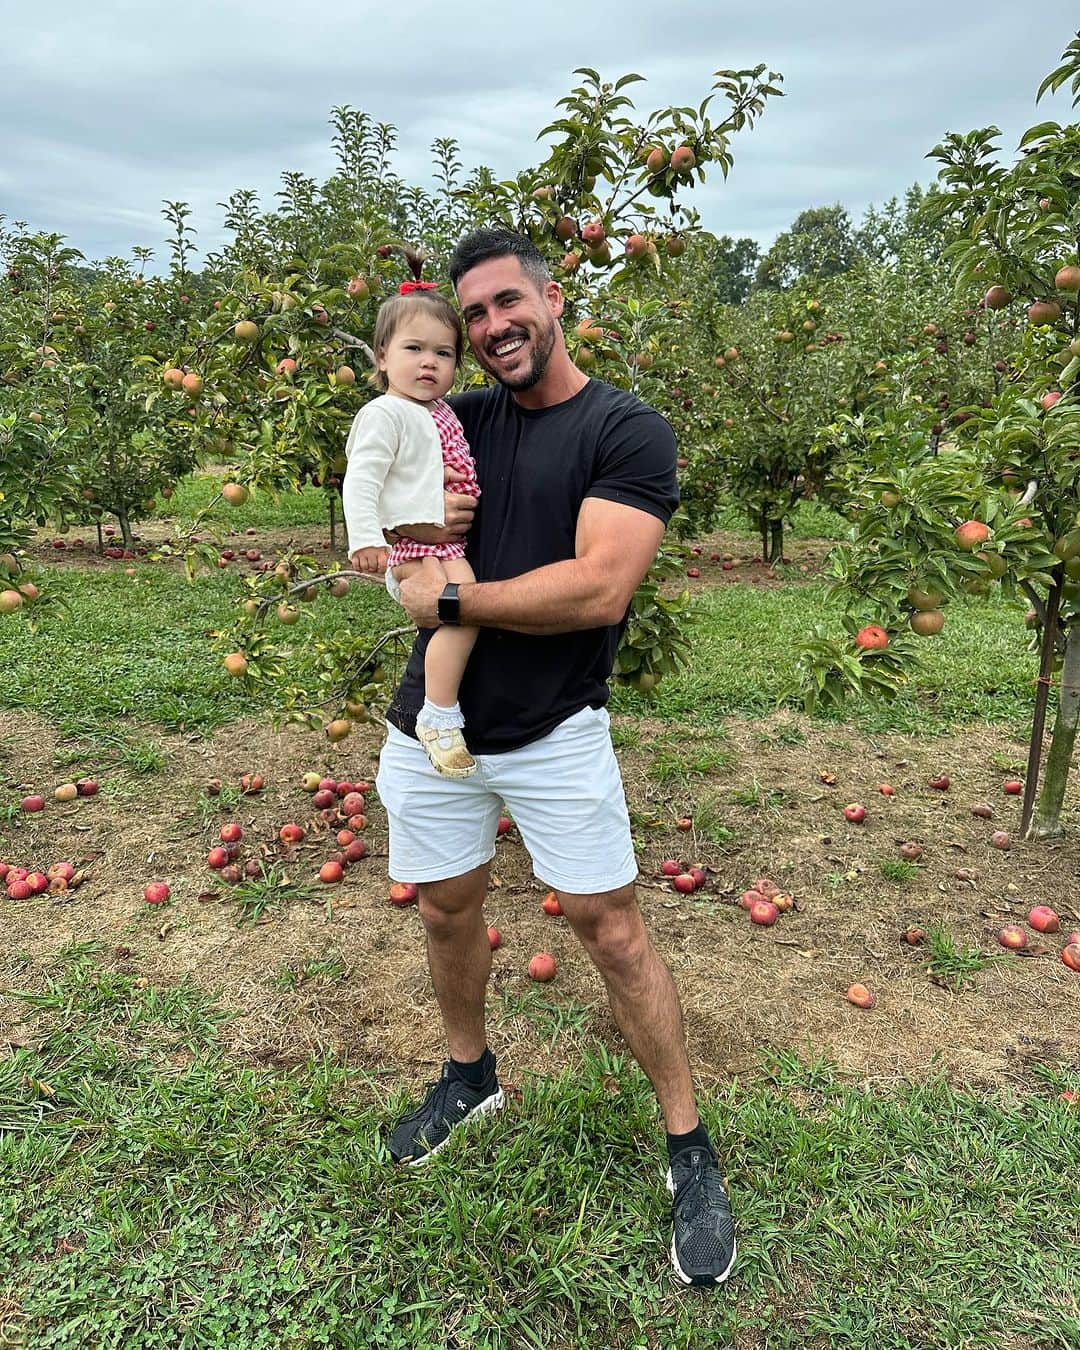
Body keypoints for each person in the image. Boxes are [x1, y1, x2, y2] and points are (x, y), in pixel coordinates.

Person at [376, 227, 736, 1287]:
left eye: (505, 305)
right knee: (446, 907)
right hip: (435, 727)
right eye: (472, 315)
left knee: (611, 931)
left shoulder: (626, 428)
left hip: (553, 732)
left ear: (552, 296)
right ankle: (470, 1075)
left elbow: (597, 588)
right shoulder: (454, 417)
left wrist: (447, 593)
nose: (491, 329)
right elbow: (385, 499)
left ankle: (688, 1147)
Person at [341, 282, 480, 778]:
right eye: (414, 349)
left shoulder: (440, 409)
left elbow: (424, 466)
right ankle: (439, 716)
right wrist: (367, 539)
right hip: (416, 543)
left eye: (443, 353)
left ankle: (440, 711)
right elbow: (362, 480)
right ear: (382, 357)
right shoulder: (383, 413)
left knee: (467, 609)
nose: (429, 363)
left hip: (449, 540)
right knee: (451, 613)